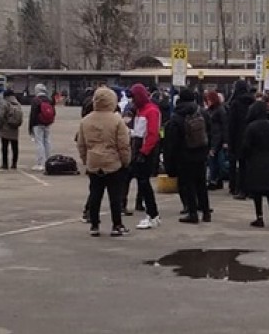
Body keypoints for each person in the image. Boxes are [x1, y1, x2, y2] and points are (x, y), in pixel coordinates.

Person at [77, 87, 131, 237]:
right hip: (112, 162)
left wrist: (85, 160)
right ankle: (117, 225)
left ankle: (94, 225)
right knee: (115, 196)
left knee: (95, 194)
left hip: (94, 161)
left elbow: (81, 144)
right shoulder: (116, 120)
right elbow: (123, 144)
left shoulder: (85, 121)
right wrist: (126, 161)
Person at [164, 88, 212, 224]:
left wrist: (171, 161)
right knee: (201, 184)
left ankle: (192, 213)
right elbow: (209, 131)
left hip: (184, 156)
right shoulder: (202, 112)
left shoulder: (177, 116)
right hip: (201, 154)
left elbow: (172, 141)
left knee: (188, 185)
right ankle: (206, 212)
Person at [242, 99, 269, 228]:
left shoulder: (251, 127)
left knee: (257, 191)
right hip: (268, 159)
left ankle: (259, 218)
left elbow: (246, 146)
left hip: (254, 160)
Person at [128, 84, 162, 230]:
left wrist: (144, 152)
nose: (132, 101)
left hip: (145, 151)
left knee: (144, 183)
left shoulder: (150, 111)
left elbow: (153, 134)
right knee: (143, 183)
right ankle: (152, 214)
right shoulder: (141, 110)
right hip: (140, 149)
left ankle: (153, 215)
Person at [227, 80, 255, 199]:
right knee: (252, 165)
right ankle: (252, 190)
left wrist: (230, 142)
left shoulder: (235, 103)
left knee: (242, 165)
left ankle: (242, 190)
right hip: (253, 137)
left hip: (239, 137)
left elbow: (232, 124)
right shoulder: (253, 102)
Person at [29, 83, 55, 172]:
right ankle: (48, 161)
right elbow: (53, 112)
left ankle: (40, 163)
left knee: (39, 142)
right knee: (47, 141)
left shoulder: (35, 100)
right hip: (47, 124)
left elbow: (32, 115)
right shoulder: (49, 100)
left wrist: (30, 127)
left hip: (37, 124)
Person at [206, 91, 228, 191]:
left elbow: (224, 126)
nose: (207, 102)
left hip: (217, 138)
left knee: (214, 161)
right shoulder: (212, 110)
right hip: (213, 138)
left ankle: (214, 180)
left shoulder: (219, 110)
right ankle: (216, 180)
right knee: (214, 161)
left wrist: (225, 141)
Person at [0, 89, 24, 170]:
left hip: (6, 128)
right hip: (15, 128)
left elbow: (1, 116)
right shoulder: (18, 103)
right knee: (15, 147)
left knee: (5, 147)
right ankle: (14, 164)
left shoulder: (5, 103)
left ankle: (5, 164)